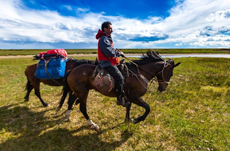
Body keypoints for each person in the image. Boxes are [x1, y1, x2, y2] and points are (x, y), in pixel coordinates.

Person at [95, 21, 126, 106]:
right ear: (105, 29)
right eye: (110, 28)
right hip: (107, 63)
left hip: (109, 62)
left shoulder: (106, 38)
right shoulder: (104, 39)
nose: (112, 30)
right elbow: (109, 53)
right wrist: (119, 53)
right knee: (120, 78)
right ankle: (120, 99)